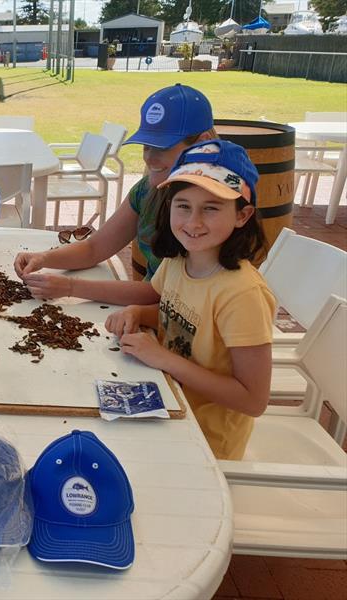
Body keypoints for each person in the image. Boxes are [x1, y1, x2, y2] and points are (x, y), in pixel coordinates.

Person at [104, 140, 276, 460]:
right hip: (167, 403)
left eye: (211, 208)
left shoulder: (242, 295)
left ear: (243, 215)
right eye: (183, 205)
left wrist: (163, 359)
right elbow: (182, 317)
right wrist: (138, 312)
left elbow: (254, 400)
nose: (193, 222)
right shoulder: (179, 261)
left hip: (204, 444)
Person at [14, 84, 217, 305]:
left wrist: (70, 287)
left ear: (202, 143)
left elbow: (162, 294)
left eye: (162, 147)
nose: (149, 158)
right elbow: (96, 247)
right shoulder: (146, 190)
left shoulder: (211, 211)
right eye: (146, 147)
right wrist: (43, 258)